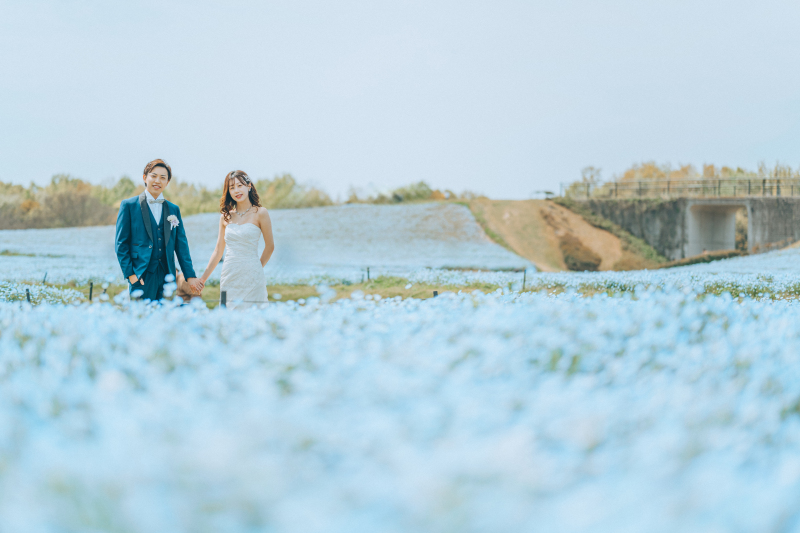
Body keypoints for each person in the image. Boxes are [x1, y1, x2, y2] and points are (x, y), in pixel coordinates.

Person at [115, 159, 203, 301]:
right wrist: (131, 276)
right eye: (154, 176)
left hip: (167, 278)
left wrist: (190, 276)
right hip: (141, 276)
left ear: (167, 182)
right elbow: (121, 245)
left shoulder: (174, 209)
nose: (158, 181)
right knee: (140, 319)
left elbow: (181, 246)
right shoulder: (129, 206)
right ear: (145, 178)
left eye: (163, 178)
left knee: (164, 321)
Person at [199, 170, 274, 309]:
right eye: (232, 188)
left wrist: (257, 267)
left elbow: (270, 247)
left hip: (253, 275)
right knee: (229, 318)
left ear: (249, 186)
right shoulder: (225, 217)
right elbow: (218, 251)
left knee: (255, 319)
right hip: (229, 275)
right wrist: (203, 279)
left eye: (240, 185)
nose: (236, 190)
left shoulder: (261, 213)